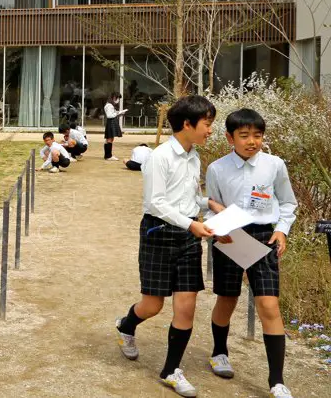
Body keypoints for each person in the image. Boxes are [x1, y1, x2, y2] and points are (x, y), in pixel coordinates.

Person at [114, 95, 216, 398]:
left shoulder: (194, 155)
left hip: (187, 237)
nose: (210, 130)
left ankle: (171, 370)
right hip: (159, 233)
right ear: (187, 124)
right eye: (207, 124)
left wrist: (209, 203)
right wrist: (191, 224)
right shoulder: (160, 157)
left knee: (186, 305)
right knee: (153, 305)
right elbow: (156, 203)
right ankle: (126, 325)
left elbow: (187, 196)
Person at [204, 108, 297, 398]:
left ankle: (277, 380)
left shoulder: (274, 165)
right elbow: (211, 205)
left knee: (269, 305)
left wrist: (282, 229)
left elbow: (287, 202)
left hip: (264, 237)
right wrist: (216, 228)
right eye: (244, 136)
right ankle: (219, 352)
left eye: (257, 135)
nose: (252, 141)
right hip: (230, 237)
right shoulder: (217, 168)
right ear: (229, 137)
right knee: (227, 298)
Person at [104, 92, 128, 161]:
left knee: (109, 139)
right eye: (118, 98)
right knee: (110, 139)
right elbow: (109, 115)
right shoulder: (109, 105)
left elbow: (112, 113)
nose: (118, 100)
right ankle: (108, 156)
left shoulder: (110, 105)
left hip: (111, 122)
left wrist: (119, 112)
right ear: (114, 97)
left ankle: (107, 155)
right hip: (111, 122)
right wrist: (119, 113)